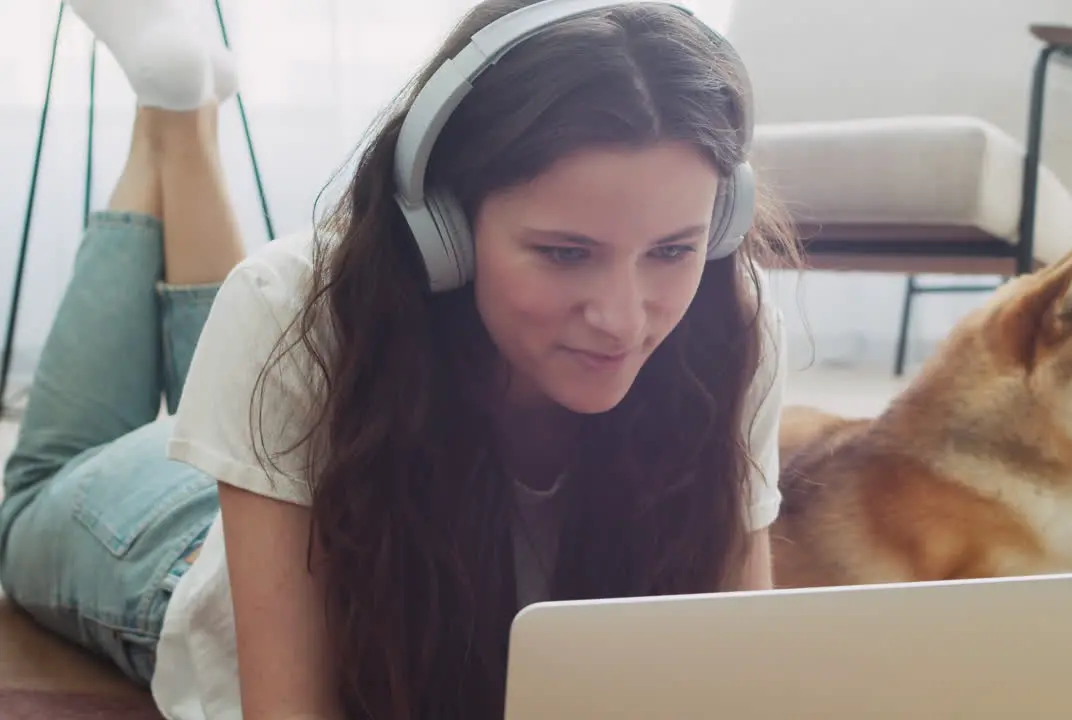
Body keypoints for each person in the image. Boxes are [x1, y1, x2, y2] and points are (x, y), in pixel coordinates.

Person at [0, 0, 800, 718]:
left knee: (269, 327)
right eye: (563, 253)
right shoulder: (294, 307)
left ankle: (175, 107)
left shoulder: (725, 326)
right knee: (34, 486)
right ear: (441, 230)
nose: (625, 320)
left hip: (275, 449)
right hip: (161, 541)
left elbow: (742, 667)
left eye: (672, 250)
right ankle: (171, 113)